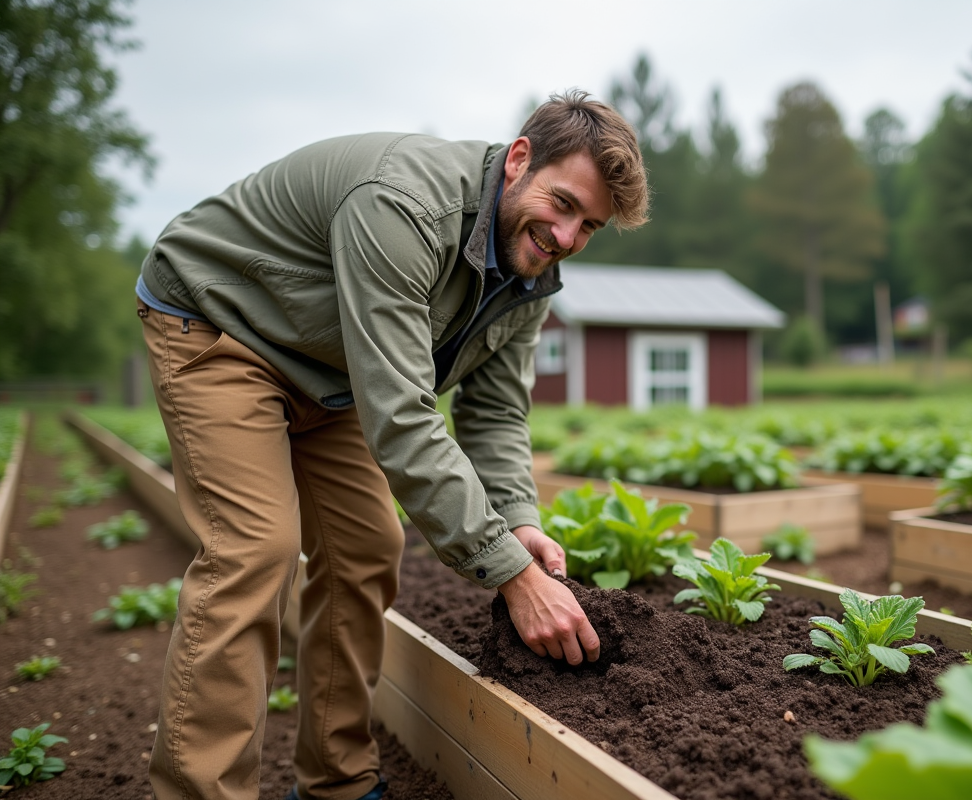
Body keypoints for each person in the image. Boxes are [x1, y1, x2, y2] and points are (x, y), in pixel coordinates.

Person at [134, 90, 648, 800]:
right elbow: (403, 416)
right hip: (221, 323)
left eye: (588, 225)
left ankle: (336, 783)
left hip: (329, 364)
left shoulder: (531, 272)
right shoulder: (404, 207)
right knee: (256, 547)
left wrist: (519, 524)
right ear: (520, 160)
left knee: (368, 548)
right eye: (562, 204)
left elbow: (495, 412)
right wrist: (510, 575)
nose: (565, 235)